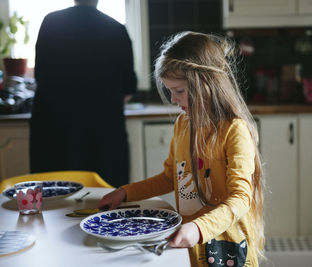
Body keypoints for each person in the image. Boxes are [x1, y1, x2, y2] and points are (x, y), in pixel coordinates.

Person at [98, 31, 265, 266]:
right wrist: (125, 193)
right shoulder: (183, 125)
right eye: (170, 91)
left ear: (207, 84)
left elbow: (240, 198)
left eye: (179, 91)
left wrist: (198, 228)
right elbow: (170, 177)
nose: (174, 100)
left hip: (228, 249)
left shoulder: (233, 130)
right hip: (192, 245)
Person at [30, 0, 137, 187]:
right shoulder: (116, 29)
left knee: (54, 195)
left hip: (55, 130)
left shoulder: (51, 22)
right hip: (102, 132)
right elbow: (129, 85)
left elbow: (39, 73)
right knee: (103, 196)